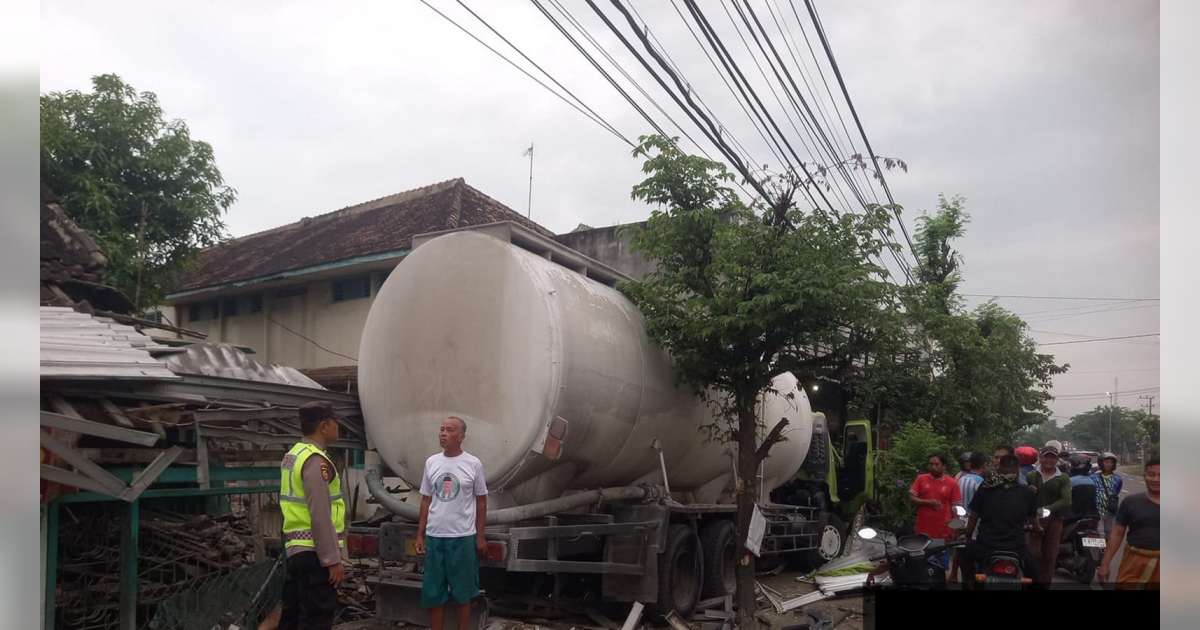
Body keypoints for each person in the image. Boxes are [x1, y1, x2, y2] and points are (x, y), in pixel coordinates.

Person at [415, 417, 489, 630]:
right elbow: (426, 500)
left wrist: (480, 536)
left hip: (462, 537)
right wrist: (420, 534)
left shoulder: (473, 464)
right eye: (441, 429)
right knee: (433, 592)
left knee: (463, 592)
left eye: (450, 430)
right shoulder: (431, 462)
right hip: (435, 536)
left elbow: (481, 501)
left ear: (462, 436)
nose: (443, 433)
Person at [279, 401, 347, 630]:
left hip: (296, 551)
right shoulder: (315, 460)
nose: (339, 427)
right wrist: (332, 560)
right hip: (314, 555)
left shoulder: (293, 455)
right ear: (324, 425)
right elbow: (320, 514)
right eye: (336, 422)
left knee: (292, 618)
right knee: (316, 620)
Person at [961, 454, 1041, 586]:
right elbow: (1034, 521)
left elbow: (973, 516)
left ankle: (969, 583)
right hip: (1016, 548)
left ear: (999, 468)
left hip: (986, 546)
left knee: (964, 556)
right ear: (1017, 470)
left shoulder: (985, 488)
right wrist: (1038, 529)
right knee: (1035, 575)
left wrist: (967, 535)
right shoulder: (1028, 492)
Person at [1097, 456, 1159, 589]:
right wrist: (1105, 564)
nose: (1156, 479)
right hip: (1133, 563)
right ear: (1144, 476)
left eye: (1161, 475)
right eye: (1151, 474)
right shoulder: (1131, 502)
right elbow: (1117, 533)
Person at [909, 453, 963, 573]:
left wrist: (956, 528)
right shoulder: (921, 479)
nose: (933, 467)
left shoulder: (952, 483)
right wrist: (928, 502)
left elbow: (956, 507)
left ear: (944, 466)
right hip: (922, 530)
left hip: (942, 531)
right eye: (931, 464)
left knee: (939, 565)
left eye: (937, 464)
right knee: (921, 562)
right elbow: (912, 498)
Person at [1027, 445, 1072, 584]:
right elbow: (1024, 497)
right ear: (1041, 458)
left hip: (1055, 520)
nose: (1049, 460)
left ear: (1057, 459)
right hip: (1034, 520)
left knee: (1050, 554)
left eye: (1052, 457)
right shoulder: (1031, 475)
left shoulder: (1063, 478)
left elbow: (1066, 500)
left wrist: (1046, 509)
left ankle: (1045, 583)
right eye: (1046, 456)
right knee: (1033, 553)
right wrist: (1028, 491)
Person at [949, 452, 986, 582]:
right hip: (973, 522)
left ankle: (955, 575)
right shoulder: (981, 482)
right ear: (983, 465)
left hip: (959, 519)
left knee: (959, 548)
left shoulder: (960, 479)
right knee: (972, 551)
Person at [1091, 452, 1124, 537]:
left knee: (1110, 534)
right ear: (1101, 463)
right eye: (1106, 462)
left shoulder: (1118, 479)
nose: (1109, 464)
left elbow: (1116, 492)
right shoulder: (1093, 477)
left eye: (1111, 462)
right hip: (1096, 511)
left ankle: (1108, 550)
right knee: (1099, 534)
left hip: (1111, 510)